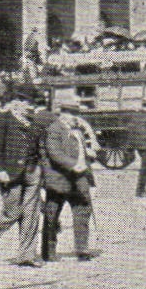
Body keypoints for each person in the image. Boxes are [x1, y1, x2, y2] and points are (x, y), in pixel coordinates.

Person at [0, 85, 45, 266]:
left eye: (32, 103)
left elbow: (40, 147)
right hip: (10, 173)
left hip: (33, 171)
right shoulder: (2, 120)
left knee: (31, 213)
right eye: (26, 102)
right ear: (16, 103)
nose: (30, 106)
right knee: (12, 213)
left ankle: (27, 255)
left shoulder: (34, 122)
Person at [42, 103, 98, 260]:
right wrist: (73, 165)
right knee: (51, 216)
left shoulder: (78, 132)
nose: (78, 119)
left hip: (79, 180)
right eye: (75, 115)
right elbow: (54, 153)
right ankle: (48, 251)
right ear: (64, 115)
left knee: (82, 212)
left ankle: (82, 250)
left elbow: (82, 153)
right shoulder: (54, 129)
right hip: (59, 180)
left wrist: (89, 155)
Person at [123, 99, 146, 197]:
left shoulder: (135, 116)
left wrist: (130, 147)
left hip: (138, 146)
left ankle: (141, 190)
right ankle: (140, 191)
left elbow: (130, 130)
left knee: (144, 168)